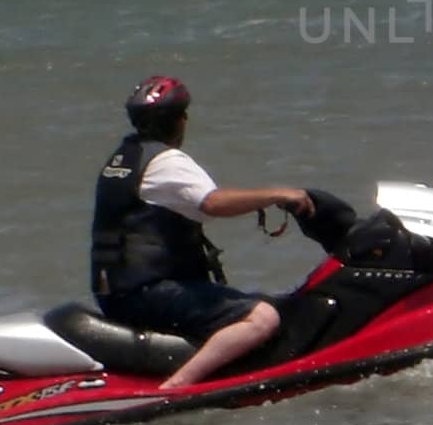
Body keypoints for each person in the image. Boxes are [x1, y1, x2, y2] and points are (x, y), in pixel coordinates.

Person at [91, 76, 316, 390]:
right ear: (180, 120)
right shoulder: (165, 162)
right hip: (148, 293)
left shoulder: (124, 159)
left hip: (119, 292)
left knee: (262, 301)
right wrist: (279, 195)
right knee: (263, 317)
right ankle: (179, 387)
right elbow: (212, 203)